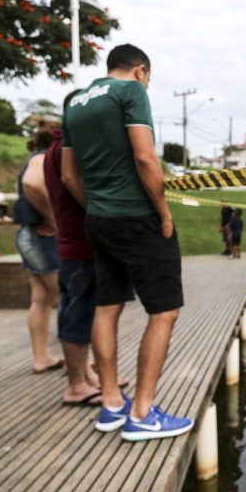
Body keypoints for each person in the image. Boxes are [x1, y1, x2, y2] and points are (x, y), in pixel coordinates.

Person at [61, 44, 192, 441]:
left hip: (99, 221)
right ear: (140, 71)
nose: (147, 86)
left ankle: (112, 403)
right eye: (148, 80)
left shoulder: (76, 102)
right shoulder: (131, 92)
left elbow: (69, 177)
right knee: (165, 312)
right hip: (138, 218)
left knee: (107, 308)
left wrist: (98, 206)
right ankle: (142, 412)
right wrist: (164, 213)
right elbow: (146, 159)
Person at [43, 92, 128, 405]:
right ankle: (77, 384)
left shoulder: (59, 146)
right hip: (80, 244)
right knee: (78, 315)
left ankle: (90, 376)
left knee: (85, 312)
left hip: (76, 242)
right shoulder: (69, 149)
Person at [13, 121, 64, 374]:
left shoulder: (35, 156)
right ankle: (80, 363)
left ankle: (41, 357)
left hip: (28, 236)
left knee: (40, 299)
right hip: (42, 238)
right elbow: (33, 183)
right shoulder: (43, 158)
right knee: (68, 297)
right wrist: (53, 218)